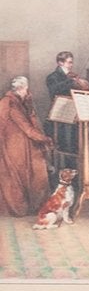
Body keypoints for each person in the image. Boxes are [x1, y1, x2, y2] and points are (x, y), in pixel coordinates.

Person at [0, 75, 53, 216]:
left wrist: (29, 105)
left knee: (31, 173)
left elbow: (31, 122)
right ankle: (20, 208)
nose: (28, 92)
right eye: (26, 89)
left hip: (22, 144)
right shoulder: (10, 103)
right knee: (17, 176)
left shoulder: (19, 101)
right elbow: (26, 128)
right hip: (14, 145)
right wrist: (44, 139)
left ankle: (33, 206)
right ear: (20, 88)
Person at [44, 50, 89, 165]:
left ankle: (73, 169)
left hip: (74, 113)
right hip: (60, 114)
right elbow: (55, 90)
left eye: (72, 63)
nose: (71, 65)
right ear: (60, 63)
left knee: (74, 144)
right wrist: (70, 81)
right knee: (64, 144)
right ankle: (64, 170)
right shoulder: (52, 77)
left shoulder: (72, 76)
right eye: (69, 63)